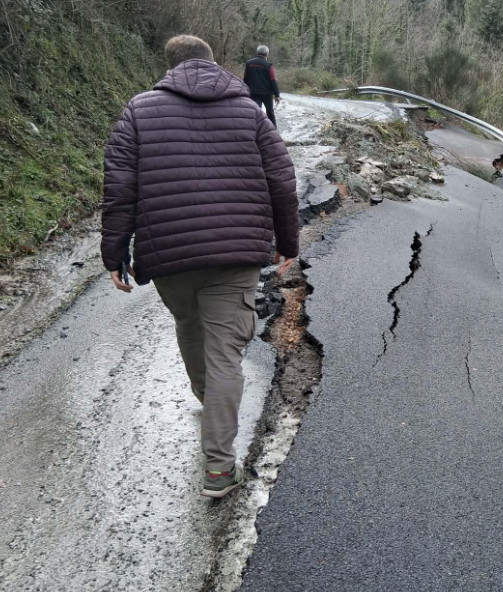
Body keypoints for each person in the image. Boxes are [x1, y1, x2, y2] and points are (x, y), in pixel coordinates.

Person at [100, 35, 300, 499]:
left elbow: (119, 188)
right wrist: (287, 243)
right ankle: (217, 468)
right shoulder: (249, 110)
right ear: (214, 63)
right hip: (237, 252)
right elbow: (282, 181)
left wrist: (115, 254)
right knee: (225, 351)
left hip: (168, 253)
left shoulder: (138, 111)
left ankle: (209, 405)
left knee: (190, 327)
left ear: (168, 65)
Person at [244, 45, 281, 127]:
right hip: (267, 93)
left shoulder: (249, 63)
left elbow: (245, 78)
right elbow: (273, 80)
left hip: (253, 92)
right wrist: (277, 95)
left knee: (255, 112)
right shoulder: (268, 65)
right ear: (267, 54)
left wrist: (245, 91)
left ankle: (254, 130)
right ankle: (273, 131)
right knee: (270, 112)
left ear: (257, 53)